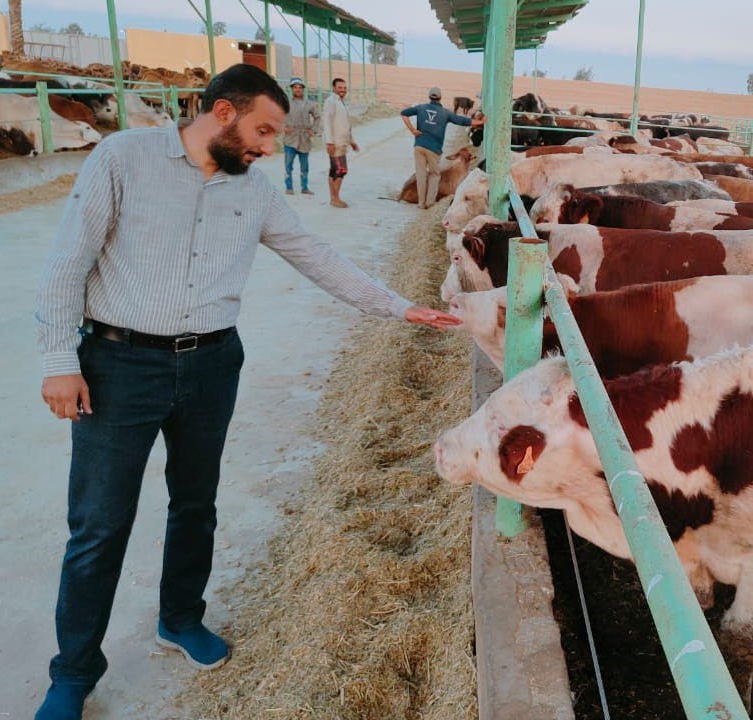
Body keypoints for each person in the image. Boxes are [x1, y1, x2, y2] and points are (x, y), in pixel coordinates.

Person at [32, 63, 460, 720]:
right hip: (118, 366)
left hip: (211, 364)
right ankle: (74, 671)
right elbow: (69, 261)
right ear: (223, 112)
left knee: (195, 504)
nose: (268, 147)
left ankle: (179, 618)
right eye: (263, 131)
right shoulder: (123, 158)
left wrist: (401, 308)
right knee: (99, 524)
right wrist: (60, 358)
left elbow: (315, 255)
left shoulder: (253, 192)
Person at [400, 86, 484, 209]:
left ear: (429, 97)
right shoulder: (445, 113)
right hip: (433, 149)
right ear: (440, 98)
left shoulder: (420, 108)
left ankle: (421, 203)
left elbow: (403, 113)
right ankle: (430, 202)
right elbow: (462, 121)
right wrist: (481, 123)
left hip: (419, 146)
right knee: (434, 174)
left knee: (421, 174)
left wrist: (412, 130)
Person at [322, 77, 357, 208]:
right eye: (340, 88)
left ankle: (334, 197)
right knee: (341, 170)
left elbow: (345, 125)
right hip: (335, 143)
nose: (342, 90)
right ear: (333, 88)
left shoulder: (341, 103)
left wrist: (352, 141)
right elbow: (327, 121)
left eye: (344, 88)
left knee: (334, 170)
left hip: (342, 143)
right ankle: (335, 198)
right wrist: (329, 142)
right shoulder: (331, 101)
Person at [282, 76, 318, 195]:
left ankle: (304, 187)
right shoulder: (286, 103)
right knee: (288, 165)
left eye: (300, 88)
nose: (297, 90)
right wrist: (283, 127)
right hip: (290, 138)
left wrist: (314, 129)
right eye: (295, 87)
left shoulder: (309, 104)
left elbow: (317, 117)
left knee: (304, 166)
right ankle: (289, 187)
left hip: (304, 137)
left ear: (303, 89)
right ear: (292, 89)